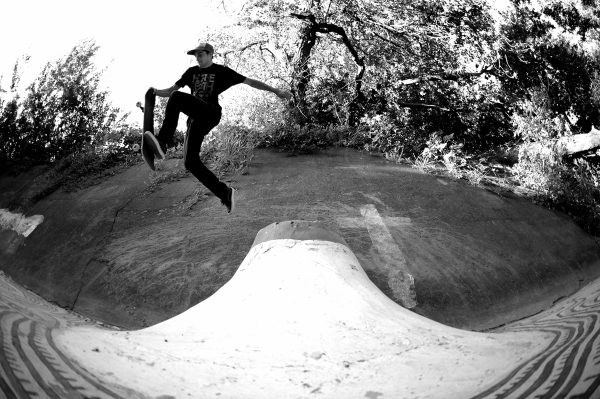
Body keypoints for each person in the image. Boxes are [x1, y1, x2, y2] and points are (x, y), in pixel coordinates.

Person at [145, 41, 291, 214]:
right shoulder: (191, 73)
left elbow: (250, 82)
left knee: (177, 98)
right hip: (195, 120)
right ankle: (224, 193)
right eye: (195, 55)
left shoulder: (222, 71)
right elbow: (170, 91)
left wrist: (276, 91)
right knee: (190, 162)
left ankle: (162, 143)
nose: (197, 58)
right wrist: (155, 91)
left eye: (200, 54)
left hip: (210, 113)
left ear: (210, 54)